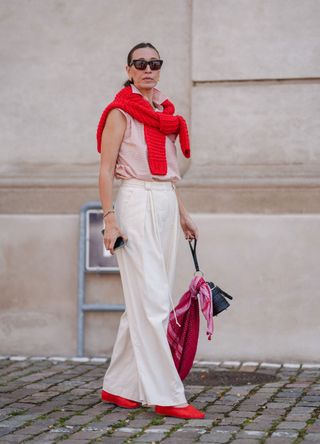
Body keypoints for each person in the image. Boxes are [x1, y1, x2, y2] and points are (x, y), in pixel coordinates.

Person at [96, 42, 204, 419]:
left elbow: (167, 174)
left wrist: (182, 212)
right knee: (155, 303)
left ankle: (119, 386)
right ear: (128, 70)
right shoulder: (119, 113)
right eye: (139, 64)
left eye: (154, 63)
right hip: (135, 203)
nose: (148, 69)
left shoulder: (165, 113)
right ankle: (168, 395)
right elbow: (106, 168)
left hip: (163, 202)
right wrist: (109, 218)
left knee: (143, 302)